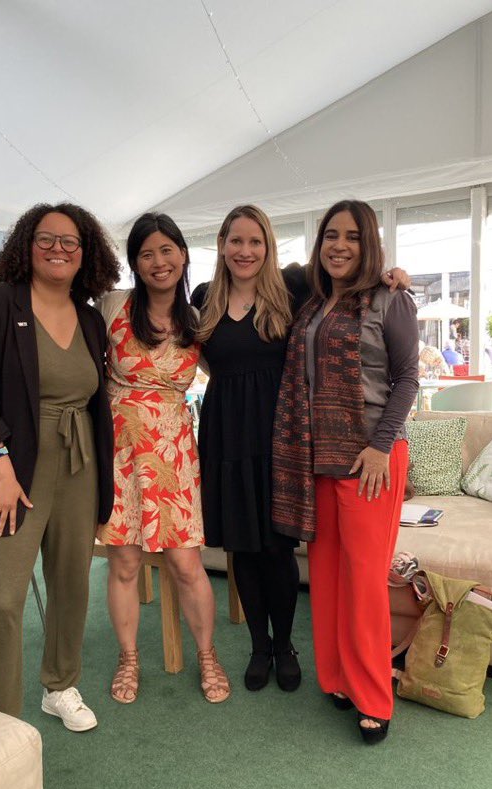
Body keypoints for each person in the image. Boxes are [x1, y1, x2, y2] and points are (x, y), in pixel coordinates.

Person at [192, 204, 409, 695]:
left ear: (268, 246)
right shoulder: (204, 297)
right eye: (235, 241)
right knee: (243, 549)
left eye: (255, 242)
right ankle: (258, 647)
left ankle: (286, 645)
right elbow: (202, 358)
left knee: (279, 545)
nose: (245, 251)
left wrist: (393, 274)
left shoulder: (292, 288)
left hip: (285, 435)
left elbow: (349, 267)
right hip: (227, 432)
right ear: (222, 245)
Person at [0, 202, 119, 729]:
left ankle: (60, 685)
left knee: (72, 585)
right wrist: (1, 471)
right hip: (11, 471)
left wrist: (103, 493)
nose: (58, 249)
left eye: (70, 242)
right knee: (3, 600)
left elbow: (98, 409)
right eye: (46, 239)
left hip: (80, 466)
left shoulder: (93, 320)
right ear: (26, 246)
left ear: (85, 253)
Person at [271, 200, 419, 744]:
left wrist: (381, 446)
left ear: (370, 243)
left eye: (353, 237)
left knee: (363, 583)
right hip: (319, 458)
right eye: (331, 235)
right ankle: (336, 678)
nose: (339, 245)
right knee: (328, 574)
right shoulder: (311, 301)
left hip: (370, 459)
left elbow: (407, 378)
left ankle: (375, 697)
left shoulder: (391, 298)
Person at [96, 212, 230, 705]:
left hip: (174, 453)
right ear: (134, 262)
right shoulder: (111, 306)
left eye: (166, 250)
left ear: (184, 254)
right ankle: (128, 657)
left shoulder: (200, 320)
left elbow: (280, 293)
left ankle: (208, 655)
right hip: (120, 452)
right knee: (125, 562)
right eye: (146, 253)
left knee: (186, 563)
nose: (158, 261)